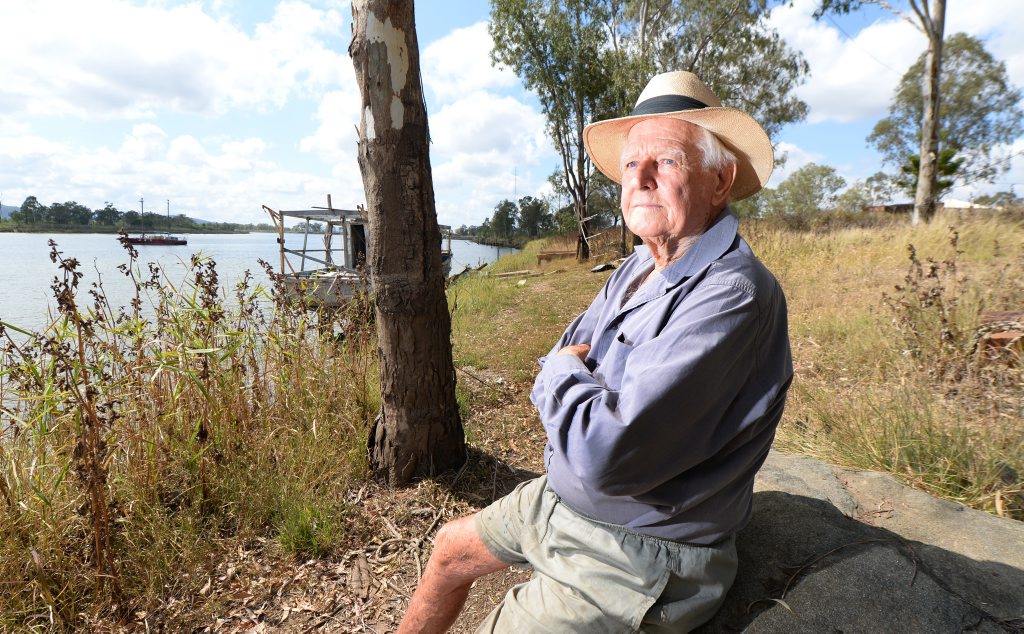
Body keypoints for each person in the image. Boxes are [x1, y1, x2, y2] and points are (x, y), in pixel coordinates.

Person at [398, 71, 793, 633]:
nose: (643, 178)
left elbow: (605, 451)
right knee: (446, 554)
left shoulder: (732, 296)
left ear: (720, 178)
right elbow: (563, 352)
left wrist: (563, 377)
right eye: (632, 165)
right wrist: (568, 377)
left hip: (642, 550)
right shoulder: (636, 266)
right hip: (566, 500)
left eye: (668, 162)